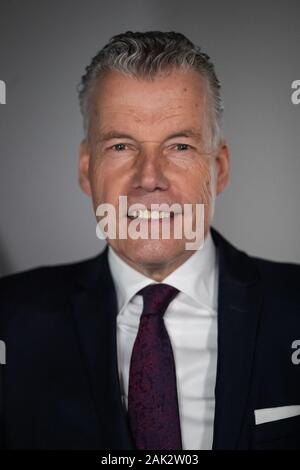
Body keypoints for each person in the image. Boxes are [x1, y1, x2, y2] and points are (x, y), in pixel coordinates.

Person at [0, 31, 300, 451]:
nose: (149, 179)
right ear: (87, 169)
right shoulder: (9, 320)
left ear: (220, 168)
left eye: (179, 145)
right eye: (121, 146)